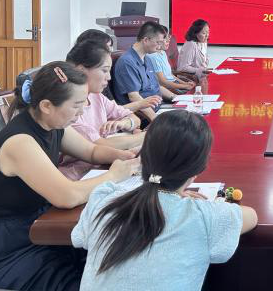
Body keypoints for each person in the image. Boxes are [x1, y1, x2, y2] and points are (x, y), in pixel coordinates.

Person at [0, 61, 138, 291]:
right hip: (1, 252)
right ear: (46, 105)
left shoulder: (53, 125)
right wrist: (113, 175)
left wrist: (124, 157)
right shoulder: (19, 142)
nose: (82, 112)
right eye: (76, 105)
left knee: (108, 261)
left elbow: (91, 151)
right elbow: (67, 196)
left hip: (33, 229)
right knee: (88, 281)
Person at [72, 110, 258, 290]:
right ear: (199, 169)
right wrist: (207, 206)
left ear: (143, 156)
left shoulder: (103, 200)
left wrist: (166, 195)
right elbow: (251, 216)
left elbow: (80, 238)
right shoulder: (204, 217)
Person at [60, 40, 146, 181]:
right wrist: (149, 136)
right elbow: (98, 145)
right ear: (81, 71)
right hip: (80, 176)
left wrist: (125, 123)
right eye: (104, 70)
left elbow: (133, 118)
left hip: (104, 167)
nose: (109, 77)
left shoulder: (96, 96)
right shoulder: (69, 108)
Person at [113, 21, 176, 121]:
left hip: (160, 107)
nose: (160, 46)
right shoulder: (127, 62)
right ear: (146, 40)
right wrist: (155, 120)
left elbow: (157, 87)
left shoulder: (147, 58)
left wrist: (176, 98)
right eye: (158, 42)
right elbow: (134, 97)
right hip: (145, 116)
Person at [148, 26, 196, 94]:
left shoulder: (163, 53)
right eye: (165, 38)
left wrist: (185, 83)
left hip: (174, 83)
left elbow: (170, 75)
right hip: (168, 87)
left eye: (168, 37)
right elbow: (163, 82)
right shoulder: (152, 56)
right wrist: (184, 86)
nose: (168, 40)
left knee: (195, 89)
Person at [176, 19, 212, 87]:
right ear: (195, 33)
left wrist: (204, 70)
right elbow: (183, 67)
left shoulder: (203, 42)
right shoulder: (191, 44)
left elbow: (204, 62)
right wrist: (200, 70)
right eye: (204, 33)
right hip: (188, 79)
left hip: (200, 76)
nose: (207, 35)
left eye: (208, 32)